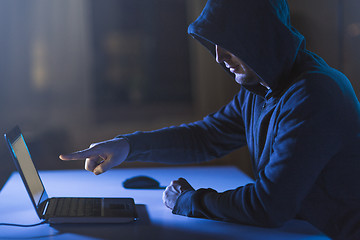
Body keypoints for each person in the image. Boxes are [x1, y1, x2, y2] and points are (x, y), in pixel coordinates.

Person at [60, 0, 360, 238]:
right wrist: (127, 146)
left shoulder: (314, 95)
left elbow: (269, 206)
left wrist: (189, 201)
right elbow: (204, 137)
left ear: (258, 35)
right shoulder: (261, 88)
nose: (217, 57)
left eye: (227, 42)